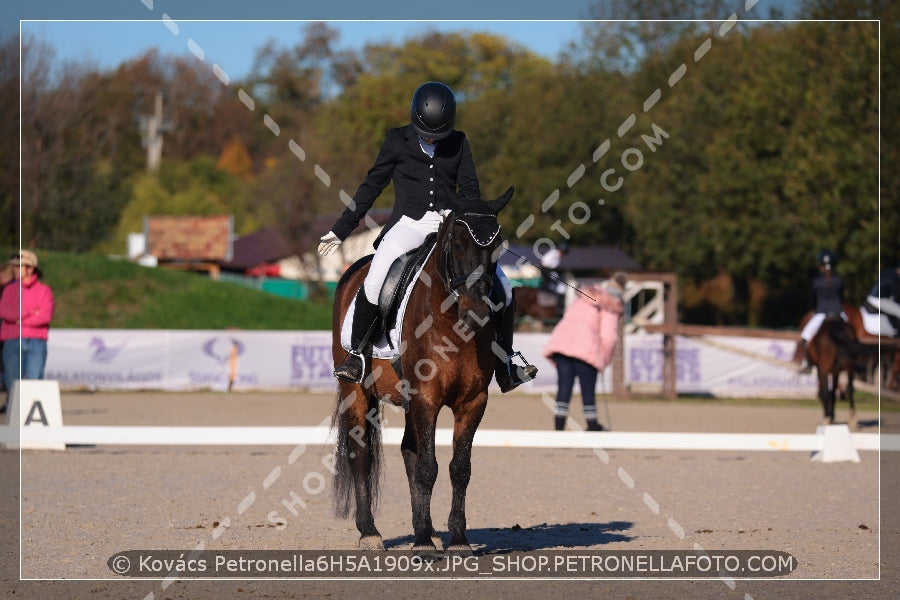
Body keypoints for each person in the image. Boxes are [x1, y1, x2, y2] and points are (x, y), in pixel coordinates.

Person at [318, 81, 537, 391]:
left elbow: (470, 187)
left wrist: (470, 217)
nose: (431, 140)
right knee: (376, 275)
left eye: (437, 135)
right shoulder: (396, 140)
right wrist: (341, 229)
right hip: (408, 224)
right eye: (425, 134)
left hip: (450, 224)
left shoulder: (459, 142)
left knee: (502, 283)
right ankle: (357, 355)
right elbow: (372, 186)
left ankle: (504, 364)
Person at [543, 272, 627, 431]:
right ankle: (592, 425)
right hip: (586, 348)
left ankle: (558, 429)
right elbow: (609, 336)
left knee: (564, 388)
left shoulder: (583, 297)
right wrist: (604, 359)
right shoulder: (611, 305)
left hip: (562, 344)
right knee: (588, 389)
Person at [0, 250, 55, 411]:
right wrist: (30, 313)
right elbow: (4, 311)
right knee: (12, 384)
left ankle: (33, 421)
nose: (15, 270)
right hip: (12, 341)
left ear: (30, 269)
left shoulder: (44, 290)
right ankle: (13, 419)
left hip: (36, 341)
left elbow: (44, 317)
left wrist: (18, 320)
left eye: (19, 267)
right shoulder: (9, 290)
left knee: (34, 384)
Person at [797, 249, 845, 373]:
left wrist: (814, 309)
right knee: (852, 334)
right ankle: (855, 359)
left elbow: (813, 299)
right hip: (839, 312)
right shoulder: (839, 280)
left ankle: (807, 362)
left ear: (820, 266)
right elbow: (841, 297)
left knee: (805, 336)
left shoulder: (816, 281)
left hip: (822, 313)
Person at [865, 261, 900, 335]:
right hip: (878, 299)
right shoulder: (895, 278)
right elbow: (895, 297)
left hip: (872, 297)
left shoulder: (889, 272)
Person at [540, 241, 570, 316]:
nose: (562, 254)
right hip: (546, 270)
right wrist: (549, 275)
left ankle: (560, 306)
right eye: (562, 252)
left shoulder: (558, 256)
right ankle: (558, 308)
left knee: (562, 287)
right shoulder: (553, 254)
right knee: (560, 288)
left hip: (550, 271)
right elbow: (544, 263)